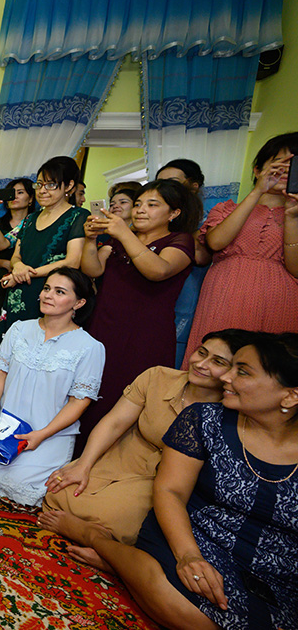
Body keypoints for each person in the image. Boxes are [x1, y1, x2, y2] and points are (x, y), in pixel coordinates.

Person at [68, 332, 298, 630]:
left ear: (291, 395)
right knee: (188, 610)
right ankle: (96, 539)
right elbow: (170, 490)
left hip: (275, 564)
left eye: (241, 371)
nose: (225, 377)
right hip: (197, 535)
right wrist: (189, 556)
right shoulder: (204, 419)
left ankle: (123, 565)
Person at [40, 329, 252, 565]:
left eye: (217, 362)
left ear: (232, 373)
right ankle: (105, 542)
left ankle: (107, 550)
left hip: (158, 480)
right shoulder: (158, 377)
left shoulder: (228, 414)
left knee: (112, 517)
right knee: (58, 492)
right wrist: (84, 465)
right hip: (121, 458)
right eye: (201, 352)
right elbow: (114, 423)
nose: (201, 364)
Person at [0, 268, 104, 507]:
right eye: (46, 289)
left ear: (79, 302)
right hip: (5, 424)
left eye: (59, 291)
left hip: (47, 433)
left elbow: (79, 401)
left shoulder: (90, 347)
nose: (48, 295)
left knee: (23, 482)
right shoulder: (20, 328)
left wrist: (41, 435)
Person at [79, 180, 201, 447]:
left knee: (130, 396)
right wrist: (90, 240)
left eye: (152, 205)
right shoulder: (116, 240)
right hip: (104, 325)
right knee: (91, 391)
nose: (140, 210)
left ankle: (115, 462)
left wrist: (125, 234)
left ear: (174, 213)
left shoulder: (180, 241)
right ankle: (76, 455)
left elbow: (158, 271)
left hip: (145, 335)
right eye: (138, 204)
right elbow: (92, 269)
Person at [183, 133, 298, 360]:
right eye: (280, 163)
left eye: (293, 165)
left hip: (280, 298)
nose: (286, 170)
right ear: (258, 169)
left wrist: (292, 217)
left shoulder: (296, 215)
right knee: (214, 358)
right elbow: (216, 242)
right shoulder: (225, 208)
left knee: (268, 366)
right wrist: (258, 191)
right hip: (227, 292)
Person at [0, 157, 89, 354]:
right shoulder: (30, 218)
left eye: (51, 185)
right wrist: (18, 267)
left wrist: (26, 273)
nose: (42, 190)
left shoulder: (78, 216)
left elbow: (73, 261)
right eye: (39, 184)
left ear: (69, 186)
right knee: (6, 357)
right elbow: (16, 256)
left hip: (49, 297)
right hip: (18, 294)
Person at [156, 159, 212, 367]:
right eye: (159, 182)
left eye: (172, 181)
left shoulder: (206, 220)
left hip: (188, 294)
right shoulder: (154, 219)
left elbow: (200, 256)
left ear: (193, 185)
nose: (165, 187)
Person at [0, 178, 35, 340]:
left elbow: (4, 244)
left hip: (27, 278)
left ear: (31, 198)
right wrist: (5, 263)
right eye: (11, 193)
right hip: (1, 280)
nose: (15, 197)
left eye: (20, 192)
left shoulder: (37, 224)